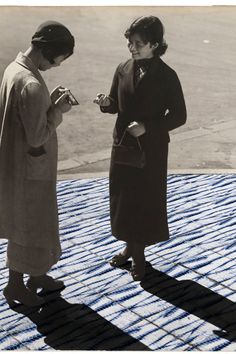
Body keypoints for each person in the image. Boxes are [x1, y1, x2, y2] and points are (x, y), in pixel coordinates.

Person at [94, 16, 187, 281]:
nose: (131, 48)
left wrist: (148, 127)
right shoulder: (123, 68)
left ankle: (138, 256)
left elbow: (179, 116)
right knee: (123, 200)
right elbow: (116, 105)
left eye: (138, 43)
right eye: (129, 42)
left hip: (151, 150)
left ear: (155, 44)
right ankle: (129, 248)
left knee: (144, 202)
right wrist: (106, 102)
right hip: (123, 145)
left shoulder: (167, 75)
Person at [0, 21, 75, 306]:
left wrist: (49, 103)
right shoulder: (31, 83)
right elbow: (37, 136)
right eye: (59, 59)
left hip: (16, 164)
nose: (57, 65)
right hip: (31, 168)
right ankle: (15, 286)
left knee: (35, 224)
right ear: (50, 51)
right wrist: (57, 111)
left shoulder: (15, 69)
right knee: (28, 226)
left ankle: (37, 275)